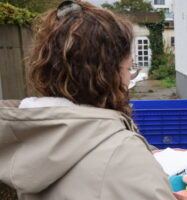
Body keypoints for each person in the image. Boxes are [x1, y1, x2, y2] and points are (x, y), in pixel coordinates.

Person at [0, 1, 176, 200]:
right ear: (108, 75)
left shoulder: (32, 136)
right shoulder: (124, 156)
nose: (129, 79)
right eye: (129, 68)